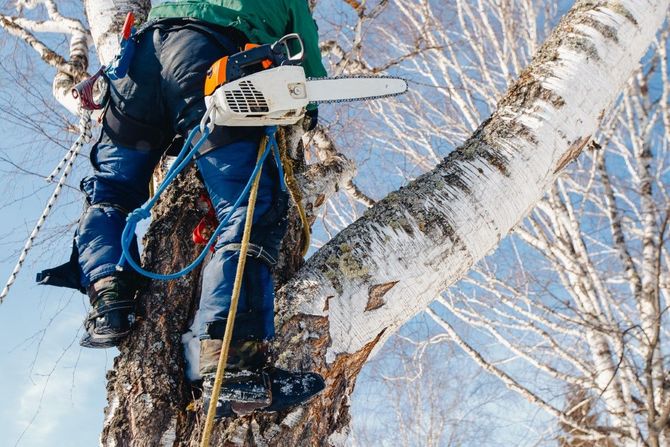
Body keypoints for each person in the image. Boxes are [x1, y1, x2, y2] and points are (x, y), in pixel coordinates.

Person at [36, 0, 327, 414]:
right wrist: (308, 110)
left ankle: (108, 292)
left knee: (111, 191)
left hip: (137, 67)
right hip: (207, 64)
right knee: (249, 206)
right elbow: (309, 66)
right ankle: (230, 363)